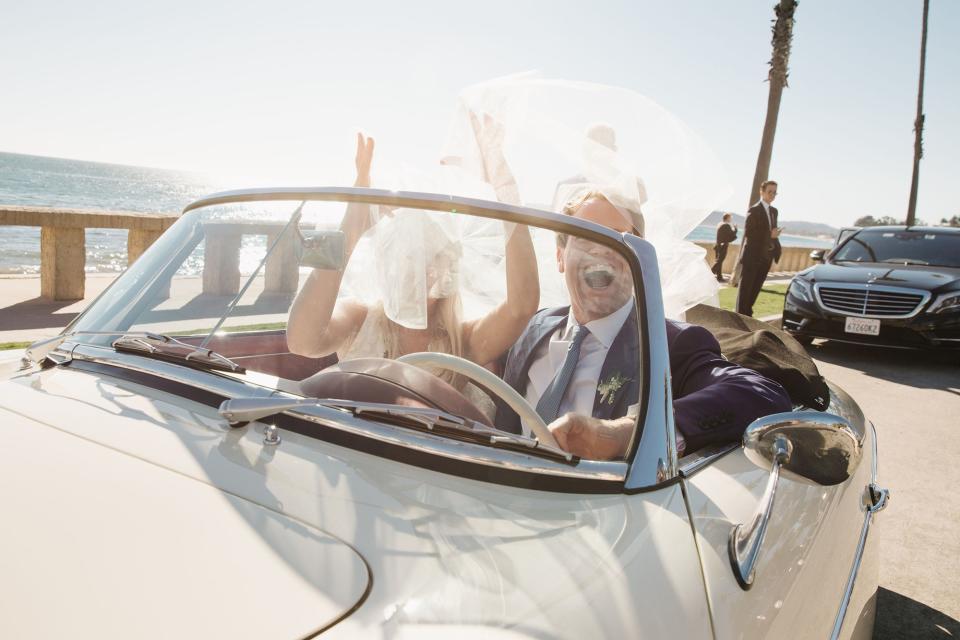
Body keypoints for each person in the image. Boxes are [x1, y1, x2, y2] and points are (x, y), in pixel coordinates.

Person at [493, 191, 792, 459]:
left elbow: (762, 393)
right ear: (560, 257)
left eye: (617, 239)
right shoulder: (533, 326)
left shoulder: (668, 343)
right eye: (585, 236)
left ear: (637, 259)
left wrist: (623, 433)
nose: (601, 250)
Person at [287, 133, 540, 407]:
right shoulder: (359, 319)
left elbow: (521, 306)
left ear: (449, 268)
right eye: (408, 257)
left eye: (433, 258)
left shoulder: (462, 342)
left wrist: (505, 193)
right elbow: (302, 341)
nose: (421, 271)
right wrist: (352, 228)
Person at [736, 180, 783, 316]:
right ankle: (740, 319)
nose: (772, 195)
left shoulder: (774, 211)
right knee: (745, 292)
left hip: (766, 258)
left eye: (775, 192)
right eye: (770, 192)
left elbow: (770, 233)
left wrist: (774, 238)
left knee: (755, 291)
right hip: (752, 257)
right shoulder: (754, 210)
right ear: (761, 192)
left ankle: (748, 318)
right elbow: (749, 233)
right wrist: (770, 234)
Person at [712, 213, 738, 282]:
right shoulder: (726, 225)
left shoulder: (720, 224)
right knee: (719, 261)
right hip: (723, 246)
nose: (731, 219)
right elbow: (731, 235)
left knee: (719, 262)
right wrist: (735, 228)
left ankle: (719, 277)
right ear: (727, 218)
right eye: (730, 218)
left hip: (718, 245)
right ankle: (710, 274)